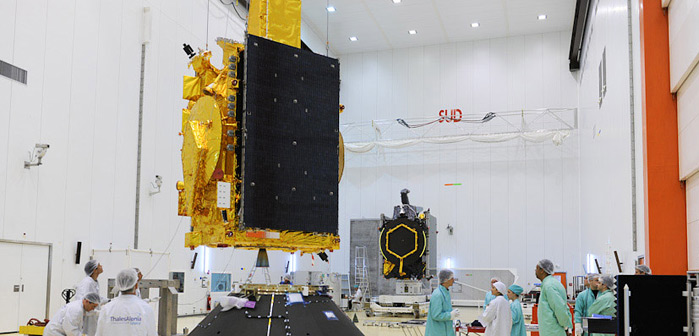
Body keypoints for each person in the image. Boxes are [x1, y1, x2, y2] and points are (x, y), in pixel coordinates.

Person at [95, 268, 156, 336]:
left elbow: (99, 333)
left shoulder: (106, 309)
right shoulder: (146, 309)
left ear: (118, 285)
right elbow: (152, 333)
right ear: (136, 285)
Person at [535, 259, 572, 336]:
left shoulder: (549, 286)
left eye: (537, 268)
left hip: (553, 331)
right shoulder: (552, 284)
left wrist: (566, 326)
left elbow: (559, 308)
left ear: (542, 270)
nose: (535, 271)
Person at [75, 260, 106, 336]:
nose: (101, 266)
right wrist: (96, 312)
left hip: (92, 317)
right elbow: (85, 302)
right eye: (99, 265)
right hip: (87, 318)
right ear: (95, 270)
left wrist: (109, 301)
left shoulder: (93, 282)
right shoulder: (87, 282)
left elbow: (96, 298)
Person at [425, 269, 459, 336]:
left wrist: (452, 313)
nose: (453, 280)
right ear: (446, 280)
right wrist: (450, 315)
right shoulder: (438, 294)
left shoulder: (446, 292)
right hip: (437, 332)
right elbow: (436, 315)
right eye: (452, 278)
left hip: (446, 331)